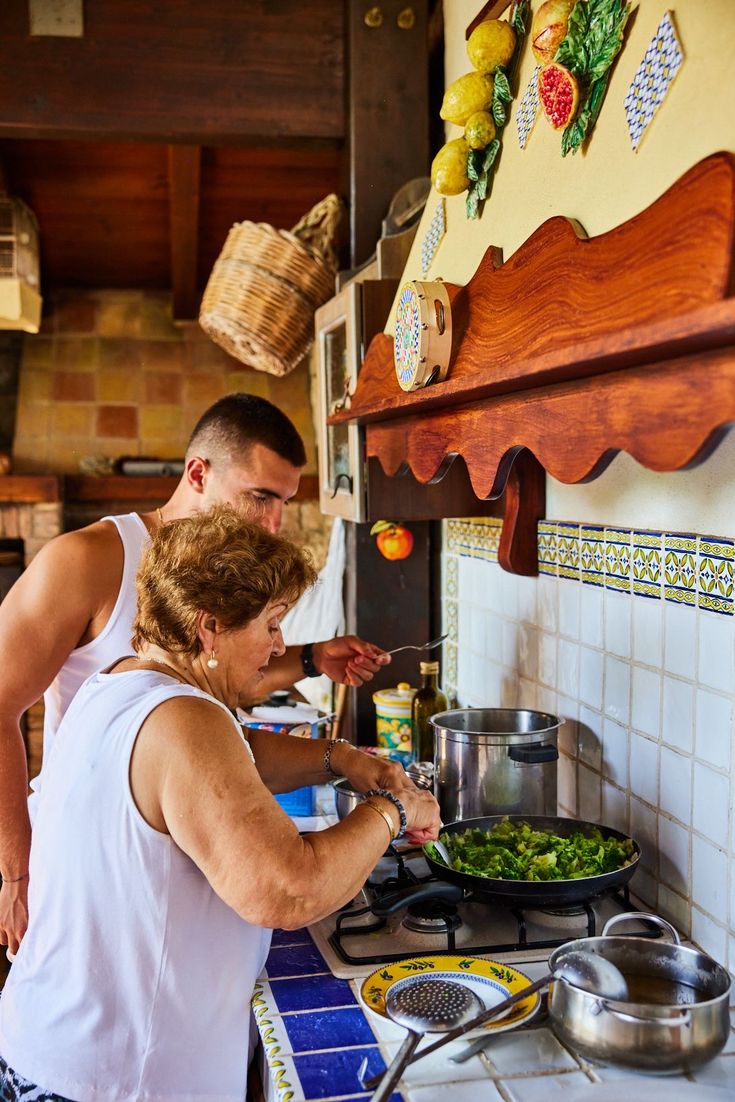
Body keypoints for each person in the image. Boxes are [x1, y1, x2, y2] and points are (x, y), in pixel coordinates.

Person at [0, 507, 440, 1101]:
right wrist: (390, 808)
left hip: (55, 1053)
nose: (280, 645)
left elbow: (235, 756)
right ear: (208, 628)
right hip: (115, 1080)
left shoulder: (122, 684)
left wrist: (349, 761)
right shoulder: (184, 721)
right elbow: (288, 889)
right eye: (272, 623)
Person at [0, 393, 391, 955]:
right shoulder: (86, 561)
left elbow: (209, 683)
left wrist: (310, 658)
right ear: (198, 473)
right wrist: (17, 874)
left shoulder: (216, 578)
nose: (273, 523)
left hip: (175, 849)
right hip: (91, 863)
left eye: (283, 501)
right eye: (260, 496)